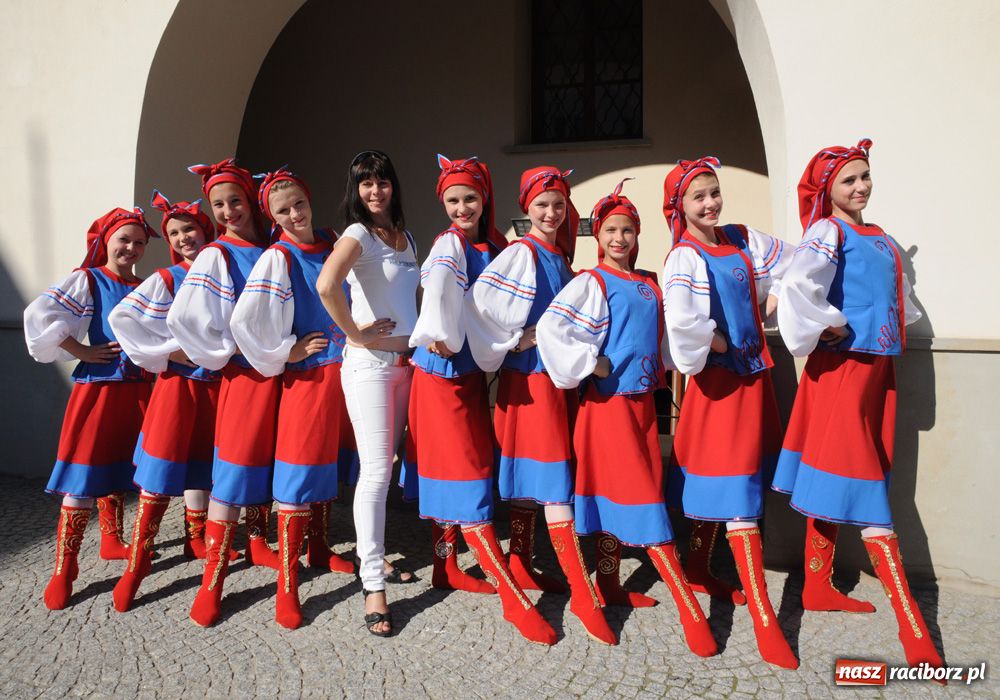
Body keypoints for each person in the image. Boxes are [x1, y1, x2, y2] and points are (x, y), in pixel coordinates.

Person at [773, 139, 942, 672]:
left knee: (844, 474)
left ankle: (819, 585)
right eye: (848, 180)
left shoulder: (881, 237)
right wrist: (835, 324)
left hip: (878, 371)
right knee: (864, 481)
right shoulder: (828, 231)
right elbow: (800, 284)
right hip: (846, 370)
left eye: (865, 176)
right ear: (829, 189)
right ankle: (912, 625)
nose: (860, 186)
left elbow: (899, 299)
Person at [537, 179, 717, 656]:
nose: (619, 239)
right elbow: (553, 327)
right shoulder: (592, 282)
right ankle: (688, 608)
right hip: (607, 410)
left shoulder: (647, 283)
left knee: (633, 493)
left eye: (628, 231)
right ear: (599, 237)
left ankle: (611, 584)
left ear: (638, 236)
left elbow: (665, 337)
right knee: (643, 500)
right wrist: (588, 363)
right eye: (611, 230)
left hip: (642, 406)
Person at [407, 154, 556, 645]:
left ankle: (444, 568)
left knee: (467, 472)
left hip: (471, 379)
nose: (461, 207)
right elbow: (434, 284)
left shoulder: (495, 245)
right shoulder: (449, 243)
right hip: (439, 380)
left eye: (469, 197)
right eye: (452, 200)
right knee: (468, 481)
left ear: (484, 198)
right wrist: (434, 329)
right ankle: (513, 599)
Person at [466, 166, 616, 645]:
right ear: (526, 210)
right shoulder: (522, 252)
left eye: (558, 204)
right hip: (531, 385)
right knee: (554, 486)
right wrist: (513, 340)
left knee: (541, 481)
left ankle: (521, 564)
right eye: (542, 205)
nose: (551, 213)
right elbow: (479, 305)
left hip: (555, 383)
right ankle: (580, 592)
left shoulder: (559, 255)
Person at [661, 157, 797, 669]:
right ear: (681, 206)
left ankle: (699, 568)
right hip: (718, 389)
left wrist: (778, 295)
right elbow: (683, 322)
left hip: (753, 382)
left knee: (737, 483)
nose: (710, 203)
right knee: (736, 491)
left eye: (714, 192)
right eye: (698, 197)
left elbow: (795, 263)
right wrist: (717, 340)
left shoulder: (741, 237)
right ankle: (764, 615)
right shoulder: (683, 256)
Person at [229, 167, 356, 629]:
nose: (295, 214)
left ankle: (320, 547)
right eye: (283, 210)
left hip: (349, 369)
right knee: (299, 473)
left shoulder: (333, 237)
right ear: (272, 217)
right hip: (307, 377)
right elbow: (246, 322)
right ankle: (287, 582)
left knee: (331, 464)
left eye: (299, 204)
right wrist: (287, 350)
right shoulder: (277, 257)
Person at [166, 158, 281, 627]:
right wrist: (224, 353)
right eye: (218, 205)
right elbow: (185, 319)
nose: (229, 211)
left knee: (274, 467)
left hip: (285, 376)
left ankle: (264, 545)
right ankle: (212, 581)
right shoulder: (218, 254)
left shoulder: (277, 244)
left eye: (235, 200)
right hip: (246, 378)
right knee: (231, 473)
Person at [24, 207, 156, 610]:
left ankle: (112, 539)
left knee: (121, 466)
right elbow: (37, 316)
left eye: (138, 242)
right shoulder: (89, 279)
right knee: (83, 475)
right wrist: (80, 349)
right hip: (99, 388)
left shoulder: (149, 284)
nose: (130, 248)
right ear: (106, 241)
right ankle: (66, 568)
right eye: (124, 240)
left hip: (141, 390)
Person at [108, 191, 229, 612]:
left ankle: (208, 563)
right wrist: (168, 351)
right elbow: (123, 318)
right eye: (174, 233)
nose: (182, 238)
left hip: (223, 388)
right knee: (159, 476)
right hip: (178, 388)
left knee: (210, 472)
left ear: (206, 230)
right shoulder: (168, 278)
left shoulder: (229, 270)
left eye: (189, 229)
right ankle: (136, 567)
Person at [317, 150, 418, 637]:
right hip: (371, 368)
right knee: (376, 474)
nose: (374, 191)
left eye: (381, 182)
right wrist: (356, 335)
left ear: (393, 186)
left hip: (405, 367)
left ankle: (372, 559)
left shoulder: (404, 237)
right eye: (365, 184)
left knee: (388, 469)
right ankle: (372, 582)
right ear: (355, 191)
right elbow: (326, 284)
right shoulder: (356, 234)